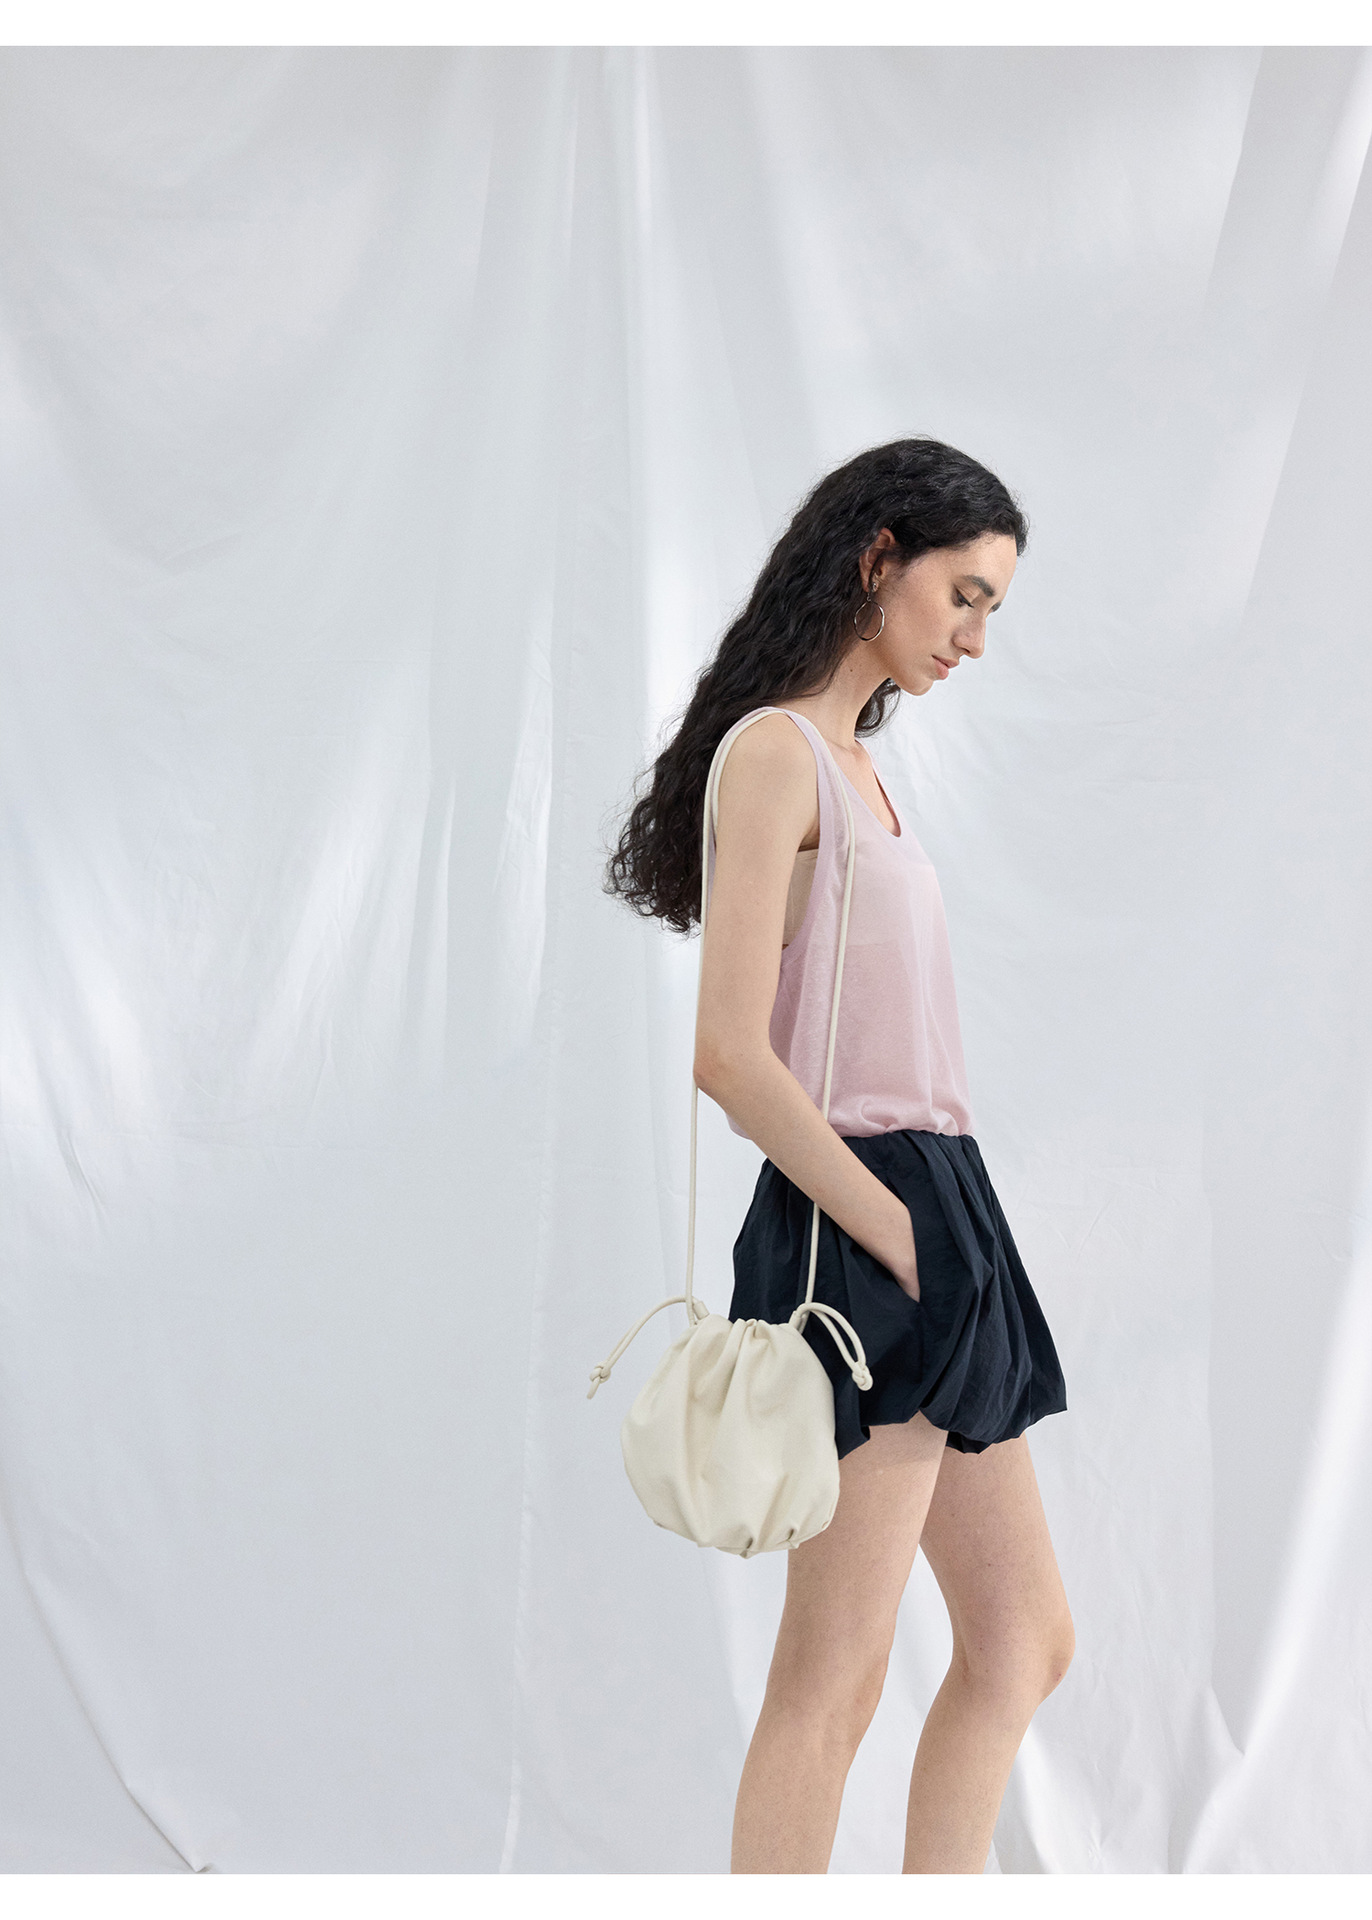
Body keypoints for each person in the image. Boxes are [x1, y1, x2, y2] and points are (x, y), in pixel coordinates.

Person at [604, 438, 1072, 1874]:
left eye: (993, 610)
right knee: (834, 1679)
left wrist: (944, 1237)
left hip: (941, 1206)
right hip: (863, 1219)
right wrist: (898, 1234)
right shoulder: (776, 754)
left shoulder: (860, 766)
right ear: (878, 557)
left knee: (1022, 1640)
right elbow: (727, 1054)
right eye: (962, 595)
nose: (974, 638)